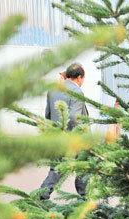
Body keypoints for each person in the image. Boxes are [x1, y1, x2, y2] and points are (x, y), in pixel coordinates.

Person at [38, 63, 89, 200]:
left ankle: (42, 194)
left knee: (56, 168)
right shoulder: (77, 92)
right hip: (74, 137)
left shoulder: (53, 90)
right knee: (84, 165)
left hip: (56, 135)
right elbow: (75, 118)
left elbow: (48, 114)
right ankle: (84, 197)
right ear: (79, 77)